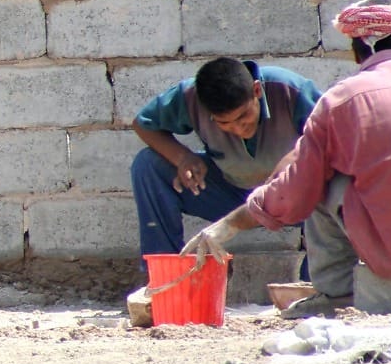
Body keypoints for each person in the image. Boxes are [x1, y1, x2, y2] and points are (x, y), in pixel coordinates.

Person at [186, 0, 391, 320]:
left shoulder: (340, 102)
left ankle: (336, 295)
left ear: (357, 49)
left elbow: (294, 192)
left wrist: (230, 224)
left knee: (317, 180)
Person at [131, 56, 321, 258]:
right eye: (224, 123)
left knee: (335, 188)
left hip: (291, 197)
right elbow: (143, 124)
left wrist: (287, 178)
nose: (238, 129)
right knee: (148, 165)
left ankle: (317, 285)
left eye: (243, 117)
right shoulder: (190, 97)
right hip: (231, 193)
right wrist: (182, 158)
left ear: (257, 91)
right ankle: (165, 274)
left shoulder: (290, 90)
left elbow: (329, 144)